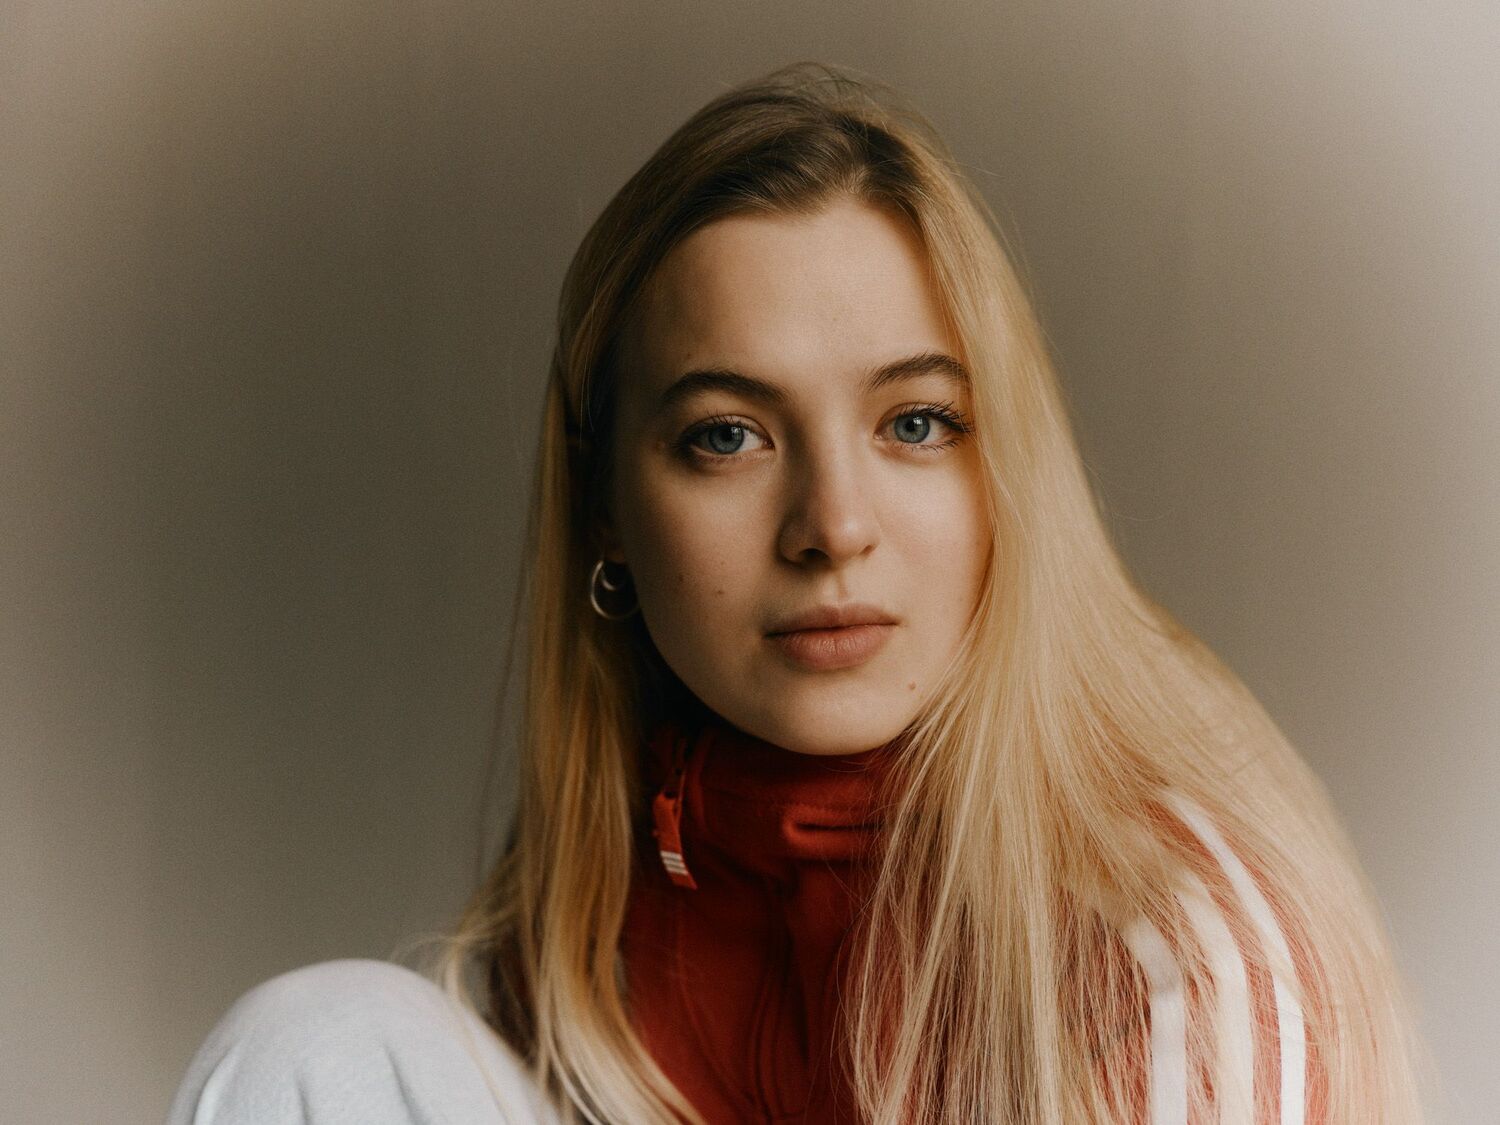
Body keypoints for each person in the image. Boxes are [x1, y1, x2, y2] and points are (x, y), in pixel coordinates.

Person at [167, 61, 1432, 1124]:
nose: (833, 528)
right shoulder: (603, 905)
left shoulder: (1167, 946)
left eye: (917, 422)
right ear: (606, 509)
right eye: (727, 435)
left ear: (1010, 476)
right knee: (321, 1040)